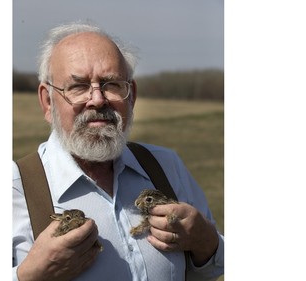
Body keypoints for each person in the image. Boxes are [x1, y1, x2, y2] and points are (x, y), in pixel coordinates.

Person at [12, 21, 224, 281]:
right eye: (78, 87)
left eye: (111, 84)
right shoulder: (14, 189)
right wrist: (26, 276)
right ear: (47, 102)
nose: (98, 99)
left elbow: (213, 269)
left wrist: (206, 241)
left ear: (131, 96)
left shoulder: (166, 166)